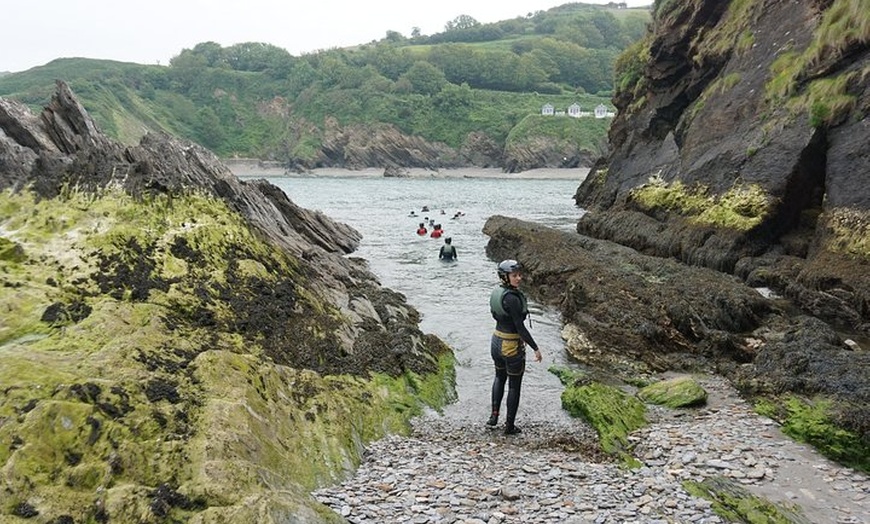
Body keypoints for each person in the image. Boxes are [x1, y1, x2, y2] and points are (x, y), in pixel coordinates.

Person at [487, 259, 541, 435]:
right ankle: (509, 426)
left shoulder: (498, 292)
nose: (519, 278)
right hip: (510, 345)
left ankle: (493, 417)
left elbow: (499, 316)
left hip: (496, 341)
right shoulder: (512, 299)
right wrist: (535, 347)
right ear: (505, 277)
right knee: (514, 386)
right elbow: (520, 327)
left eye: (519, 275)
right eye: (514, 275)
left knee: (499, 377)